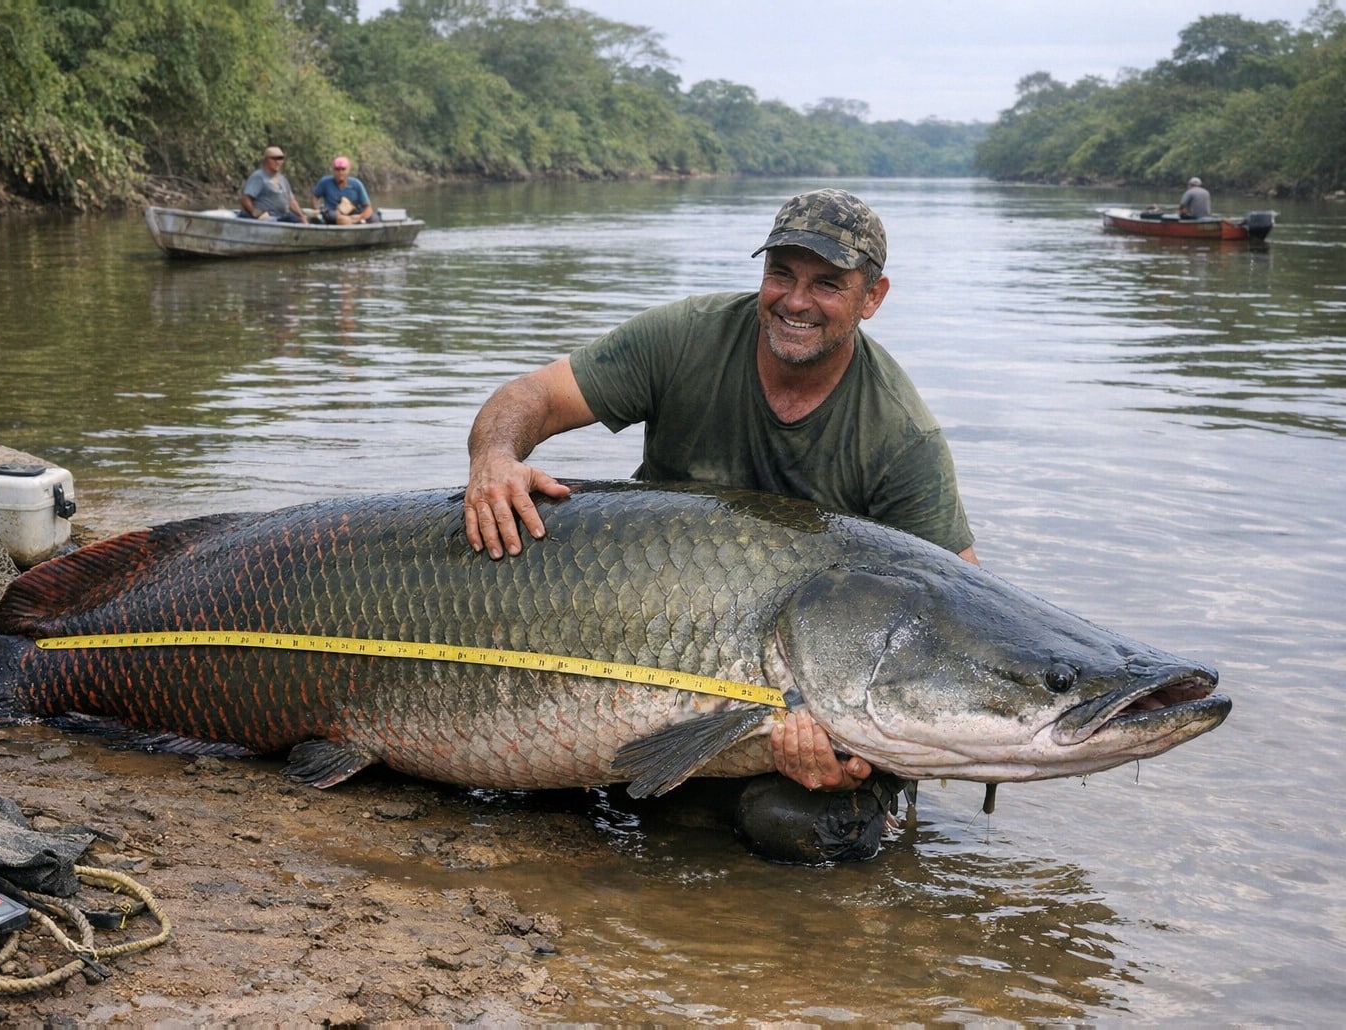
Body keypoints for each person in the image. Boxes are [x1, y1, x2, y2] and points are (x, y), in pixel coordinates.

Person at [463, 188, 980, 835]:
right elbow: (533, 395)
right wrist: (494, 460)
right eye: (781, 275)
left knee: (791, 826)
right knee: (537, 780)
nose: (795, 301)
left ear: (871, 298)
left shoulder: (900, 436)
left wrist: (861, 745)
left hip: (804, 687)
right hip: (645, 638)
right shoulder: (687, 338)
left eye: (827, 284)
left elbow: (957, 609)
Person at [239, 146, 309, 223]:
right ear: (266, 160)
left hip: (282, 217)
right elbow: (245, 199)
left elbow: (291, 201)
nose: (278, 162)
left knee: (301, 219)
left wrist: (301, 215)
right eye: (274, 159)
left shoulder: (283, 179)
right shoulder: (259, 177)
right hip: (267, 219)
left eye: (280, 159)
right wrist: (256, 213)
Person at [312, 156, 379, 225]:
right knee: (333, 216)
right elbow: (315, 197)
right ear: (333, 170)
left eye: (343, 169)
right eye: (337, 169)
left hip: (354, 213)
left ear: (348, 170)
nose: (340, 172)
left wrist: (360, 217)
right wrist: (317, 209)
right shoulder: (325, 182)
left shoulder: (357, 184)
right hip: (333, 213)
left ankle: (356, 224)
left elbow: (367, 207)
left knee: (374, 218)